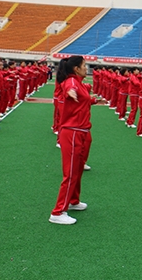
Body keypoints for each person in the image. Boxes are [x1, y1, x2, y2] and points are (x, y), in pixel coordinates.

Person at [49, 56, 105, 225]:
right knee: (71, 172)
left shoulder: (79, 82)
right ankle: (57, 212)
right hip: (72, 132)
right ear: (76, 68)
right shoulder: (71, 82)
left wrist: (94, 100)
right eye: (84, 65)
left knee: (78, 169)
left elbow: (82, 99)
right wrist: (70, 93)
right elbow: (69, 89)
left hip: (81, 131)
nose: (86, 68)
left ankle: (73, 200)